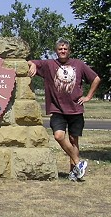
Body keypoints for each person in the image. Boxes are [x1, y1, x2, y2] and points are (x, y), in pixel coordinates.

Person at [27, 38, 101, 181]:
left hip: (76, 110)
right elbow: (30, 61)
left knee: (74, 140)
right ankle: (79, 163)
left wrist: (88, 97)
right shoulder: (49, 65)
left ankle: (74, 172)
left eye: (65, 49)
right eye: (60, 49)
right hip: (58, 110)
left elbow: (96, 79)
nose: (63, 51)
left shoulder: (78, 64)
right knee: (59, 136)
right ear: (56, 51)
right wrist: (33, 65)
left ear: (69, 51)